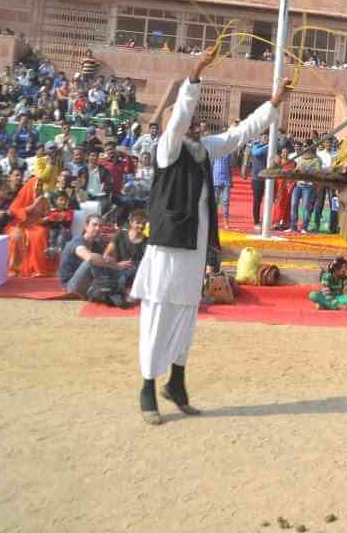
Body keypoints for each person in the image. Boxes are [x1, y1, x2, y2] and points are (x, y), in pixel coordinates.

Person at [131, 49, 292, 425]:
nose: (196, 123)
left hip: (195, 248)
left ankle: (178, 383)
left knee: (186, 315)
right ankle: (147, 388)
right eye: (188, 120)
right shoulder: (167, 150)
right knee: (158, 313)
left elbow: (240, 134)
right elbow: (179, 118)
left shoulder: (203, 150)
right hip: (168, 247)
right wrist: (195, 75)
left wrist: (273, 104)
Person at [58, 214, 132, 302]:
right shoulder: (77, 241)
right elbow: (89, 258)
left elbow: (107, 261)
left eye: (100, 226)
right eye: (94, 225)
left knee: (124, 269)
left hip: (88, 283)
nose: (98, 228)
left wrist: (113, 243)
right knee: (92, 259)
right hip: (71, 287)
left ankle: (116, 287)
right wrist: (116, 265)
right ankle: (105, 288)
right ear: (86, 226)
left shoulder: (96, 244)